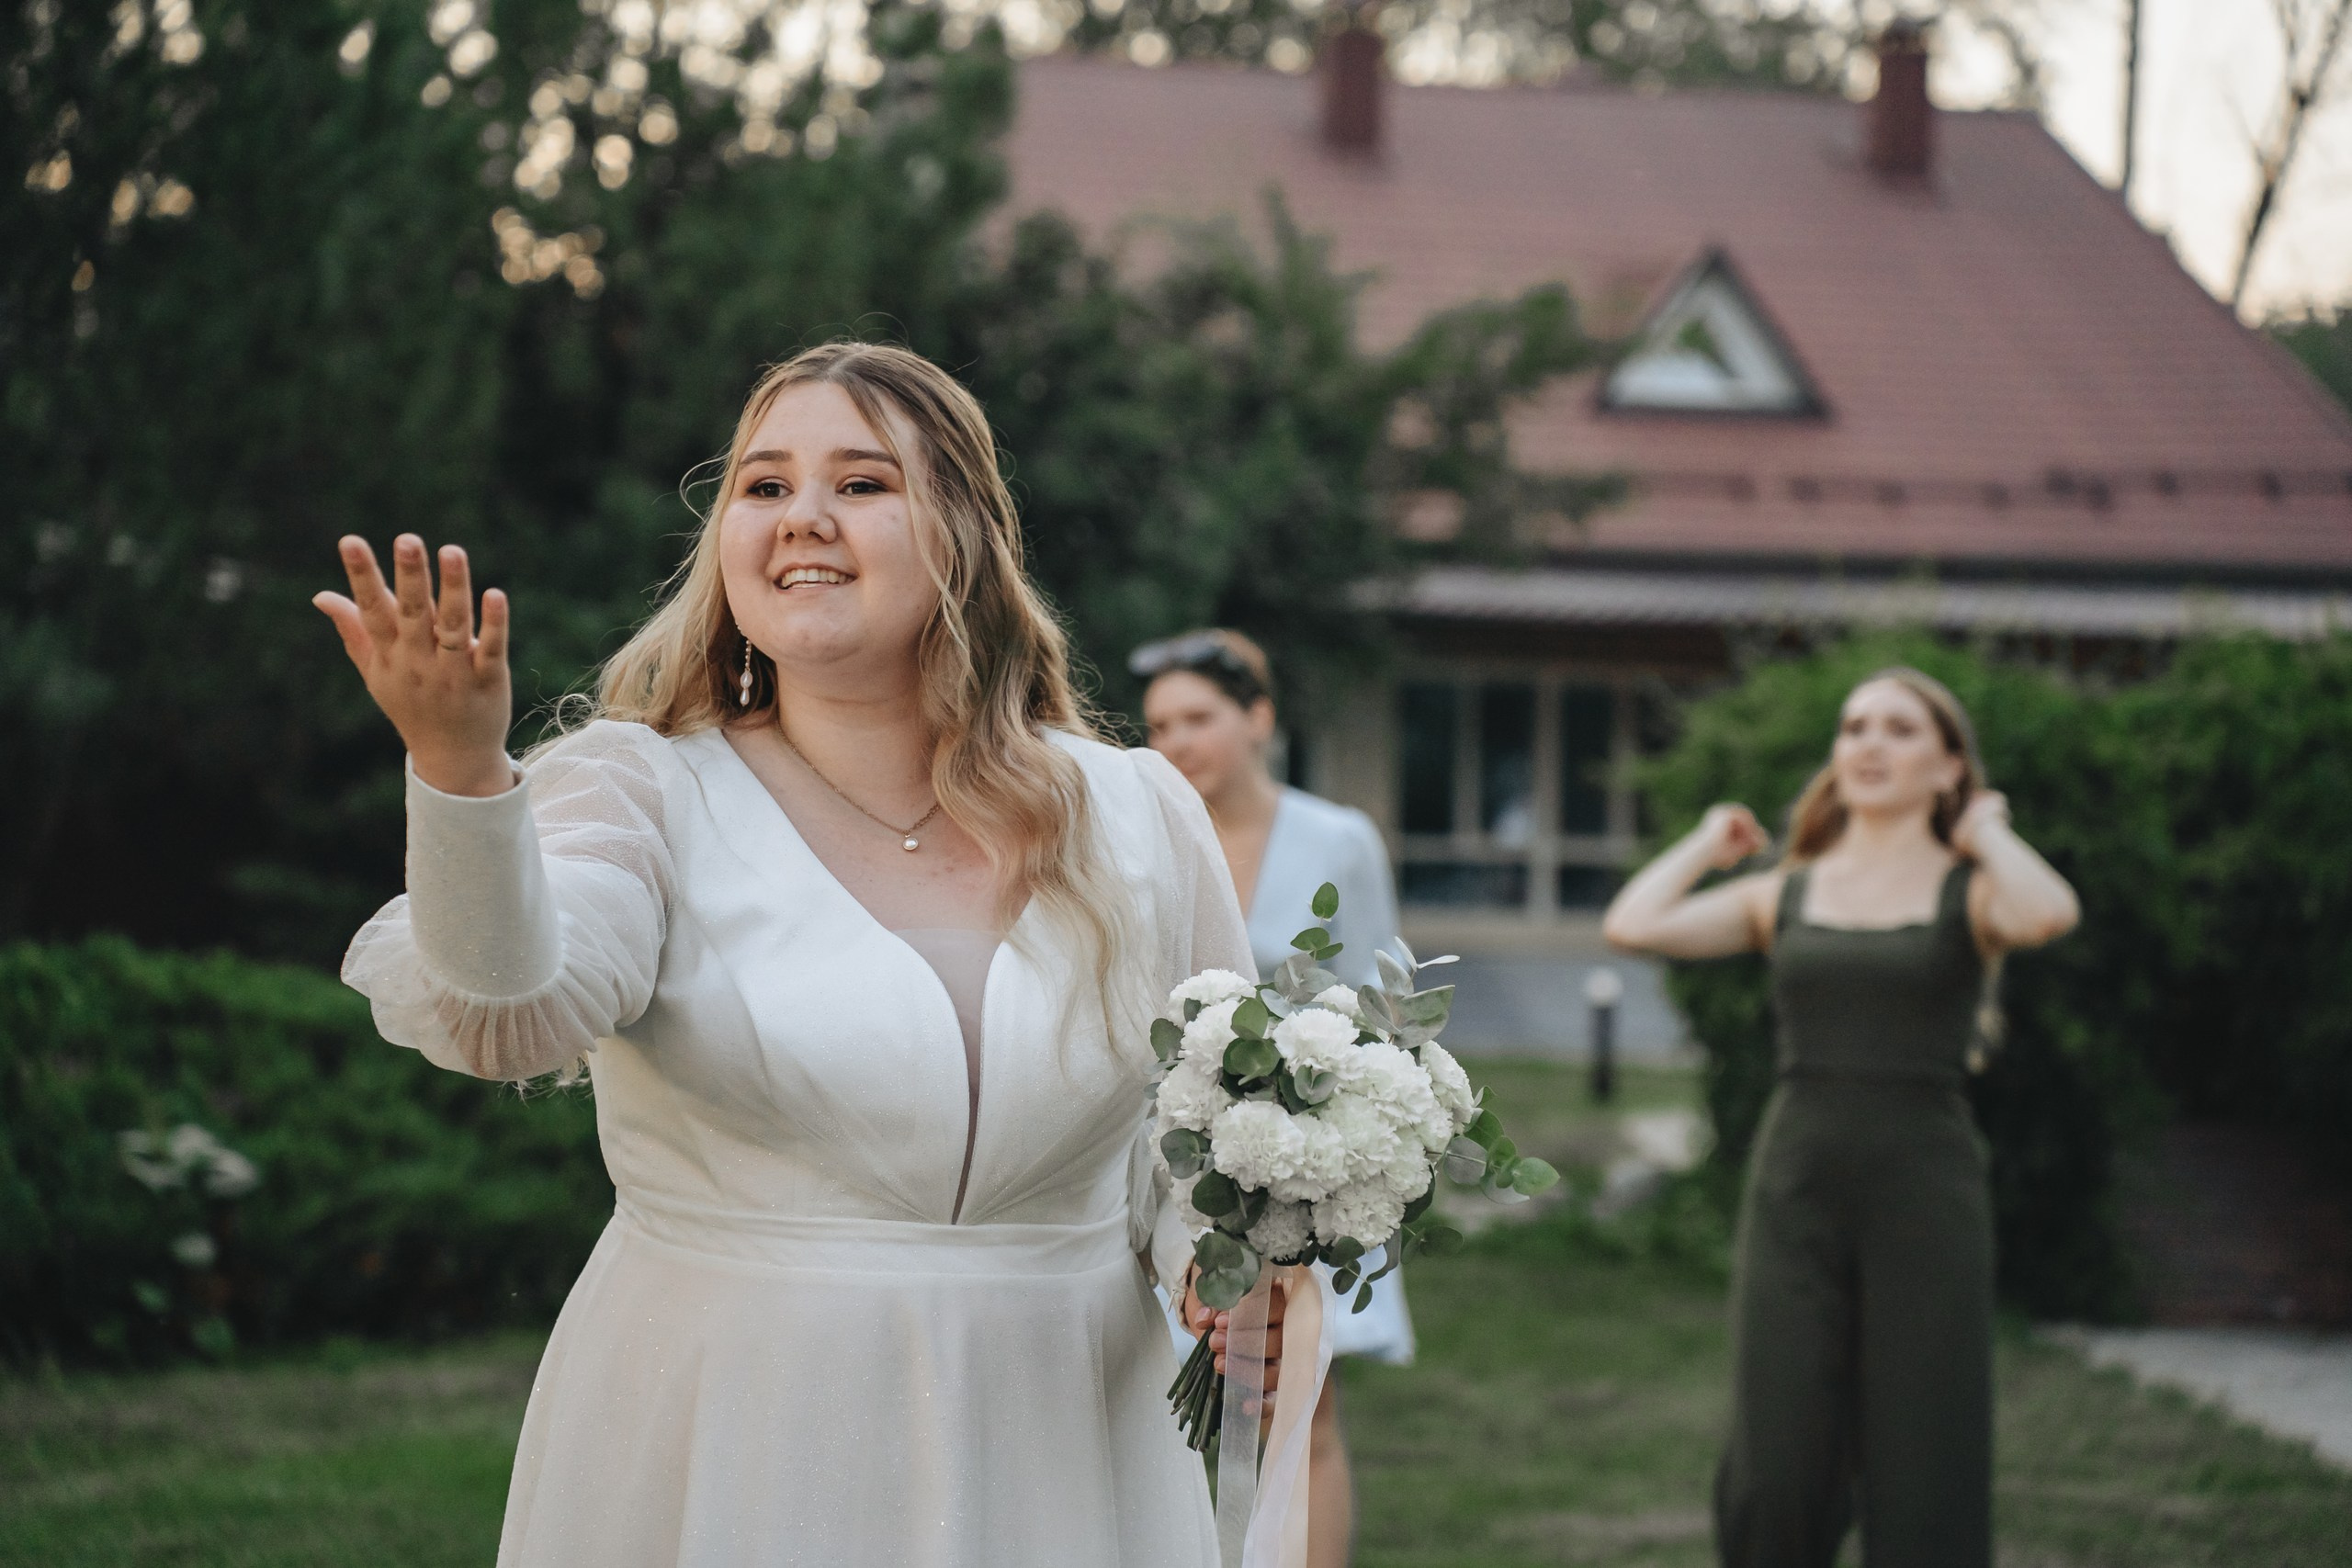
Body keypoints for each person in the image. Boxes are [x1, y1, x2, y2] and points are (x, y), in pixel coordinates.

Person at [314, 343, 1293, 1568]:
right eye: (763, 487)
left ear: (968, 534)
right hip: (739, 1435)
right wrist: (461, 773)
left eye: (863, 484)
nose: (804, 520)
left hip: (1066, 1436)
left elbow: (1198, 1122)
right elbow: (507, 1014)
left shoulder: (1137, 809)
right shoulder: (645, 793)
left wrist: (1221, 1260)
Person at [1601, 668, 2078, 1568]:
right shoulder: (1783, 892)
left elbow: (2048, 911)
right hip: (1797, 1186)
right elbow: (1633, 924)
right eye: (1854, 726)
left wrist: (1991, 832)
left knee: (1924, 1458)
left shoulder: (1969, 892)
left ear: (1947, 767)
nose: (1866, 743)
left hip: (1925, 1193)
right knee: (1775, 1460)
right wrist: (1707, 841)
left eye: (1899, 729)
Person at [1136, 627, 1411, 1568]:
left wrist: (1357, 1147)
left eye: (1198, 717)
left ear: (1258, 718)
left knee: (1303, 1412)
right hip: (1172, 1166)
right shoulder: (1146, 844)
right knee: (1161, 1415)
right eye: (1160, 724)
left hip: (1306, 1163)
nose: (1177, 740)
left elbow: (1385, 1006)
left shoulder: (1337, 839)